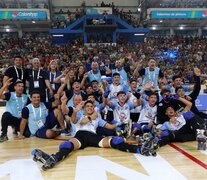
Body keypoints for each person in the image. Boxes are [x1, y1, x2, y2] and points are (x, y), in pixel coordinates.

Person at [31, 100, 157, 170]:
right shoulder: (81, 114)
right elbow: (76, 120)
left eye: (92, 106)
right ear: (84, 108)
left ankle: (140, 149)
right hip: (80, 135)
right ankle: (53, 159)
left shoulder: (97, 118)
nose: (90, 107)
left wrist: (120, 124)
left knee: (116, 141)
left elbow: (109, 126)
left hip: (93, 136)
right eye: (88, 106)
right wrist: (76, 110)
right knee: (66, 145)